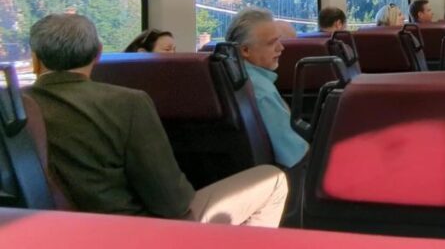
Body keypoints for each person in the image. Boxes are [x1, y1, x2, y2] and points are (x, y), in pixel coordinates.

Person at [27, 14, 287, 225]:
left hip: (49, 230)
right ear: (98, 53)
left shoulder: (15, 107)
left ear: (36, 58)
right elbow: (172, 202)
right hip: (133, 230)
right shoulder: (128, 102)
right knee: (272, 179)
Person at [226, 8, 308, 169]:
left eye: (279, 40)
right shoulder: (261, 92)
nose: (281, 48)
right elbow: (296, 156)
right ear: (245, 50)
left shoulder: (228, 75)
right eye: (272, 43)